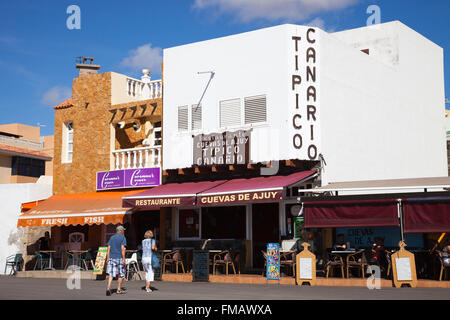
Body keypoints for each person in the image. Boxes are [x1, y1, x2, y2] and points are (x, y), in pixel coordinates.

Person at [106, 225, 127, 296]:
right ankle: (118, 289)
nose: (124, 231)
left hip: (112, 257)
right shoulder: (123, 238)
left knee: (111, 274)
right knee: (121, 274)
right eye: (123, 230)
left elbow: (108, 248)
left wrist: (108, 257)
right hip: (119, 258)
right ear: (121, 231)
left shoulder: (112, 237)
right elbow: (122, 249)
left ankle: (108, 288)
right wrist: (124, 259)